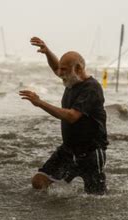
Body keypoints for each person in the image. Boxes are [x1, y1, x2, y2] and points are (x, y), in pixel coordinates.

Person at [19, 37, 109, 195]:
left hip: (91, 153)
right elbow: (57, 68)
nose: (60, 74)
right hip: (68, 150)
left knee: (95, 199)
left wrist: (40, 103)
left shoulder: (91, 88)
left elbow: (72, 116)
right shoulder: (70, 80)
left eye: (64, 70)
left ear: (79, 69)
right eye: (60, 70)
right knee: (39, 182)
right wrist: (47, 52)